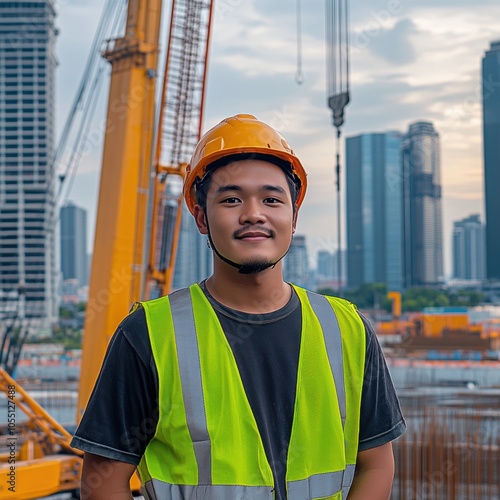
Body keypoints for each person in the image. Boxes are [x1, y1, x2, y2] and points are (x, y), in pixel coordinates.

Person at [71, 114, 406, 500]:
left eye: (271, 199)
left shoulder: (347, 328)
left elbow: (377, 463)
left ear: (293, 216)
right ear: (200, 217)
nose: (253, 214)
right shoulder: (148, 333)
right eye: (231, 199)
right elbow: (102, 483)